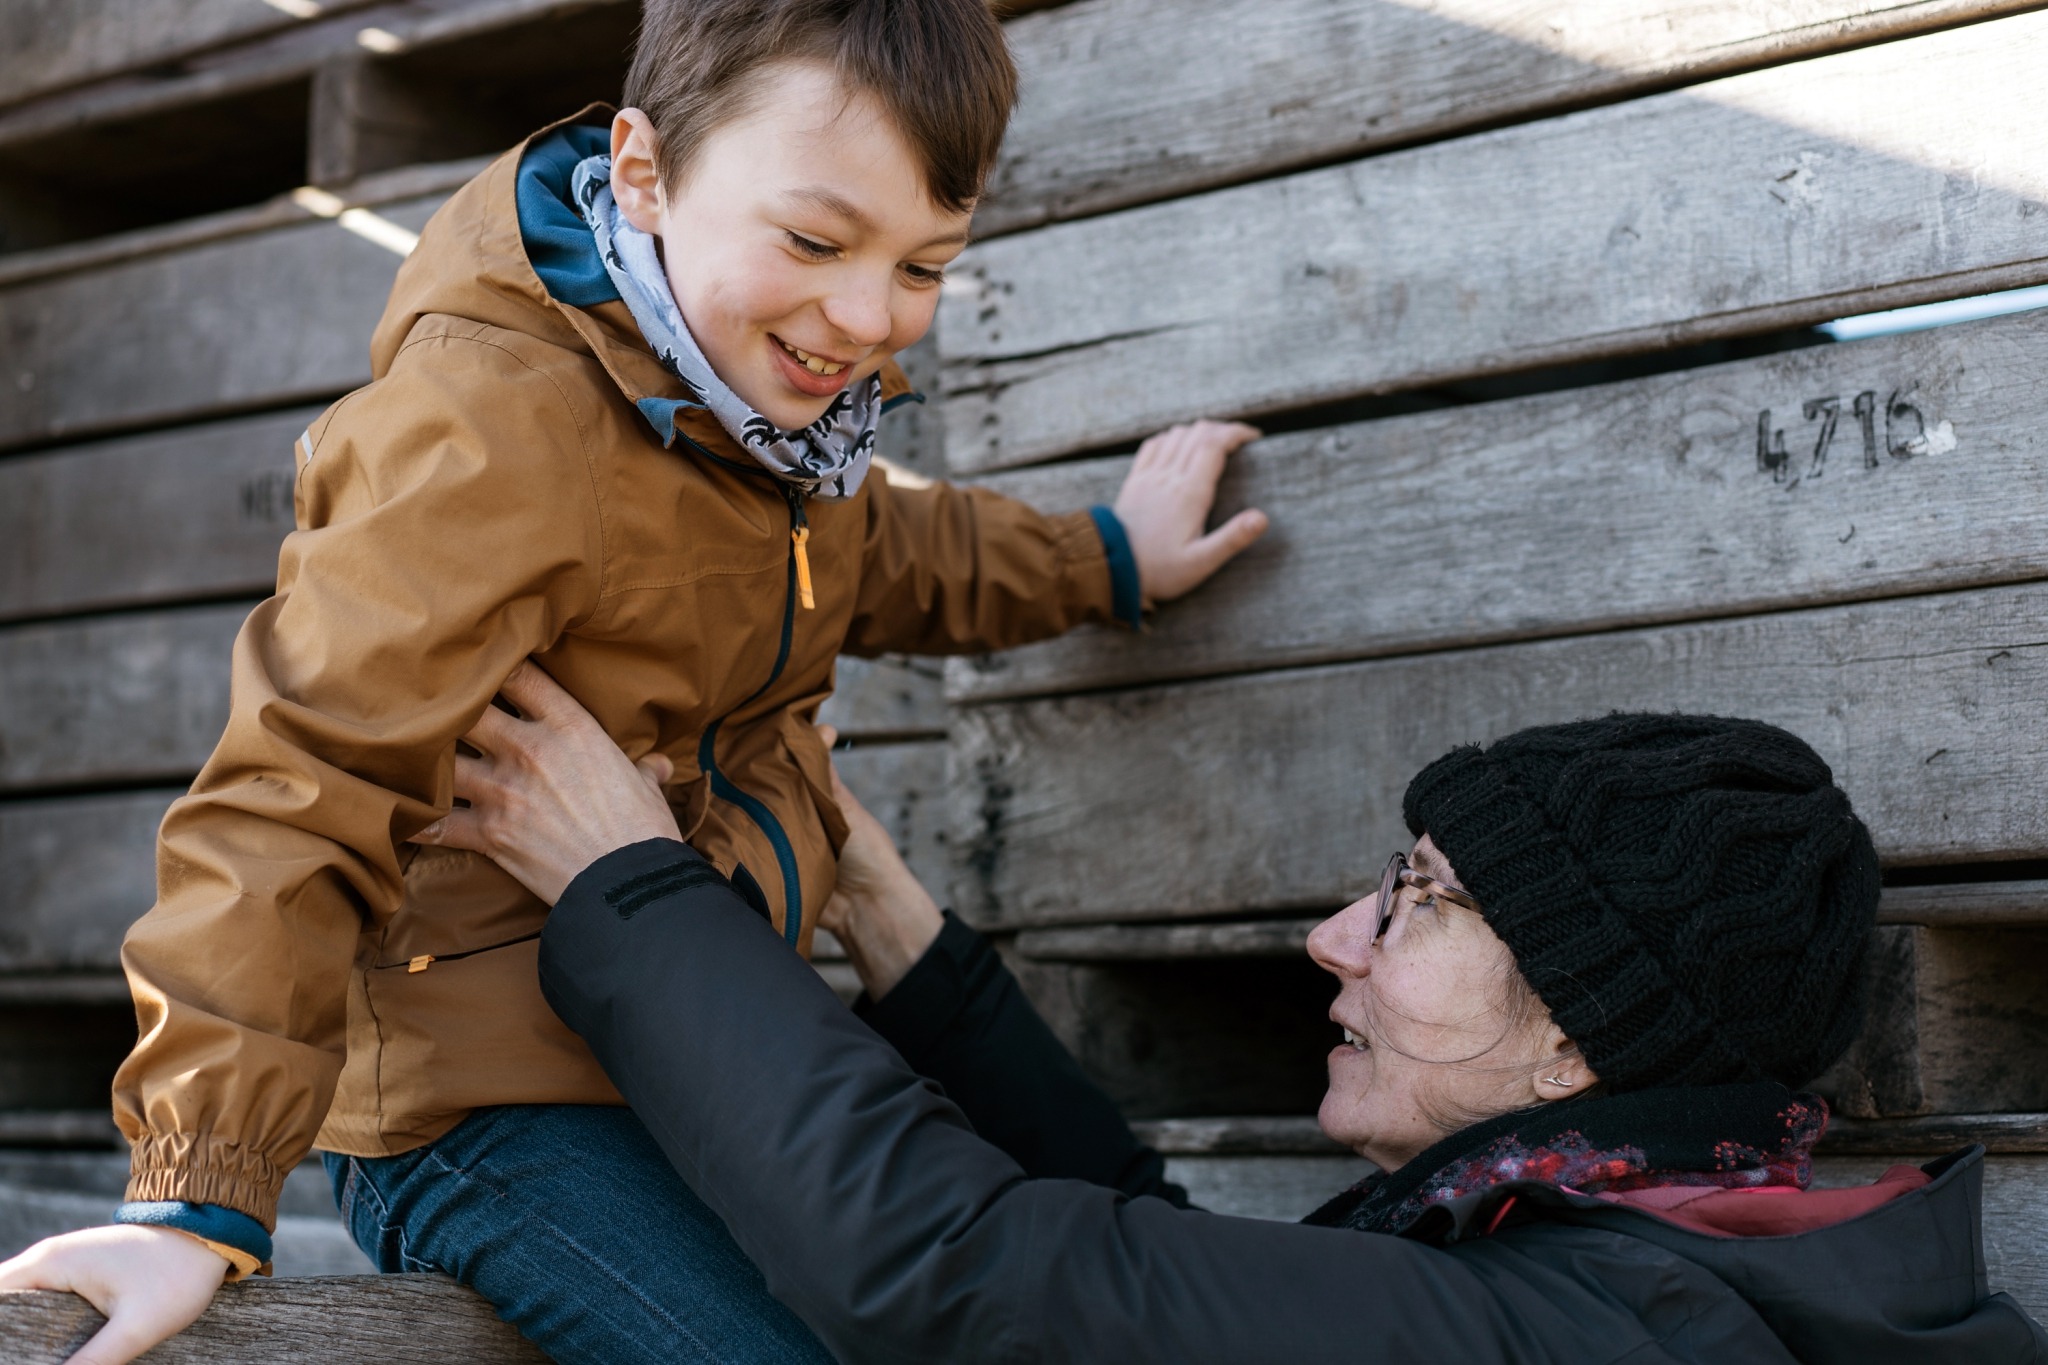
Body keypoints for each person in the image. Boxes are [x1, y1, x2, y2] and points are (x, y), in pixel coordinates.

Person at [0, 3, 1268, 1361]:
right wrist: (197, 1184)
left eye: (925, 264)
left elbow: (872, 550)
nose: (865, 315)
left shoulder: (751, 395)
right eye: (818, 240)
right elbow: (305, 781)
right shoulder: (490, 430)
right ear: (646, 169)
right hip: (487, 1105)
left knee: (949, 1311)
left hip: (694, 1037)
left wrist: (1107, 556)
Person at [412, 668, 2045, 1361]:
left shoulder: (1590, 1335)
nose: (1337, 934)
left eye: (1418, 896)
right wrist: (890, 920)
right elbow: (1157, 1279)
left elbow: (961, 1275)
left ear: (1580, 1043)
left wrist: (629, 882)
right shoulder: (1681, 1272)